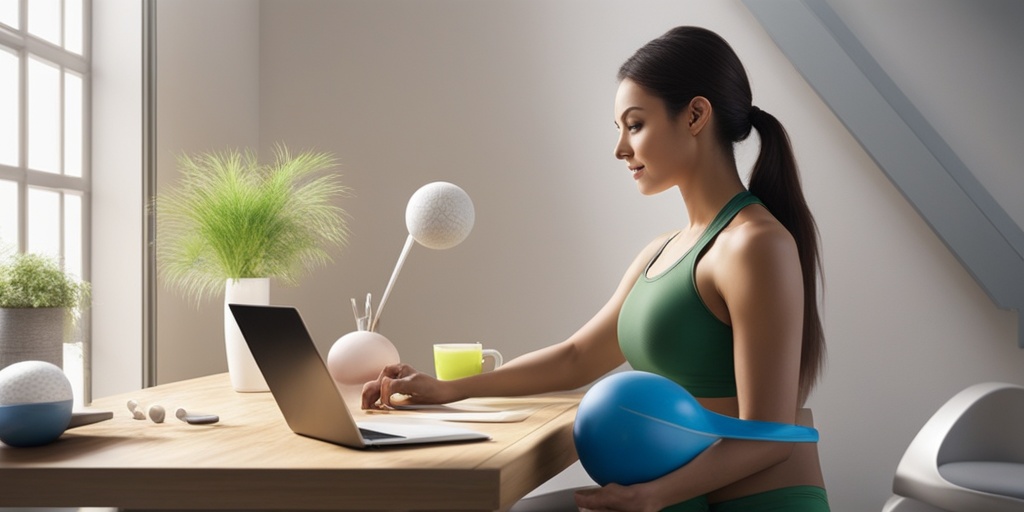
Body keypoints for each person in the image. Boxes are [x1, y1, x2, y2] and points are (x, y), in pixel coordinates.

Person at [362, 26, 829, 512]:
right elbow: (576, 357)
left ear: (694, 115)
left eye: (635, 125)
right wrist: (446, 391)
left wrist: (651, 496)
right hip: (674, 499)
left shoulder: (756, 245)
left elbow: (771, 435)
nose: (620, 149)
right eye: (619, 129)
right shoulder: (661, 250)